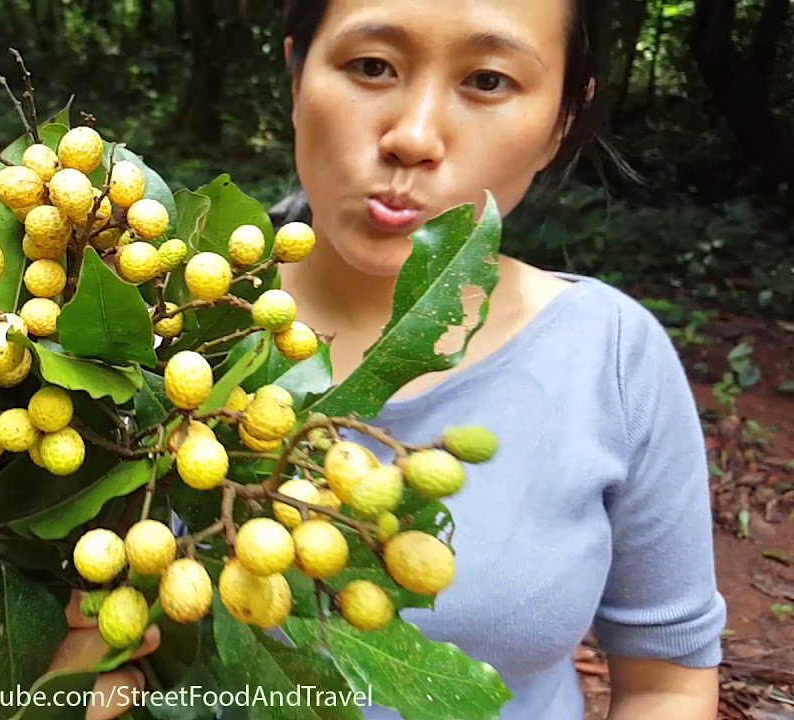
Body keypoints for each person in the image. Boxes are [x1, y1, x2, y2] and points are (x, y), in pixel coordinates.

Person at [49, 1, 727, 718]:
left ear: (561, 122)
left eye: (489, 81)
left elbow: (669, 683)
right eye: (372, 66)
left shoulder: (613, 356)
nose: (412, 137)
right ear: (295, 76)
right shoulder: (136, 341)